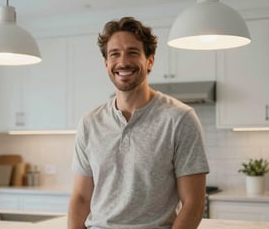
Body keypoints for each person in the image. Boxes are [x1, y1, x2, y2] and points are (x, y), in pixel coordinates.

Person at [67, 17, 209, 229]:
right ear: (106, 63)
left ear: (150, 60)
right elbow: (80, 197)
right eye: (114, 54)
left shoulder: (180, 119)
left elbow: (193, 203)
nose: (123, 62)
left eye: (132, 52)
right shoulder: (90, 123)